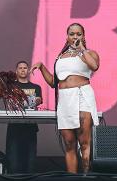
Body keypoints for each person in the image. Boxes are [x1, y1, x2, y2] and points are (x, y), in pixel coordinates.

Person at [31, 23, 100, 174]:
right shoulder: (61, 57)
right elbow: (53, 83)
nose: (75, 37)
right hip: (64, 100)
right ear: (67, 36)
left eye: (79, 34)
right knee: (69, 144)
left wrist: (82, 49)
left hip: (82, 96)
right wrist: (42, 67)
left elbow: (94, 66)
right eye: (72, 34)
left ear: (83, 36)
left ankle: (86, 176)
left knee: (84, 143)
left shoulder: (89, 53)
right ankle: (72, 177)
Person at [5, 60, 43, 173]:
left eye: (25, 68)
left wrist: (33, 101)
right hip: (14, 126)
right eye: (20, 68)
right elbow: (9, 101)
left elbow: (39, 100)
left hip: (30, 126)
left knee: (30, 159)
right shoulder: (11, 86)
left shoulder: (36, 87)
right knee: (13, 159)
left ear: (28, 70)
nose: (23, 70)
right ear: (16, 71)